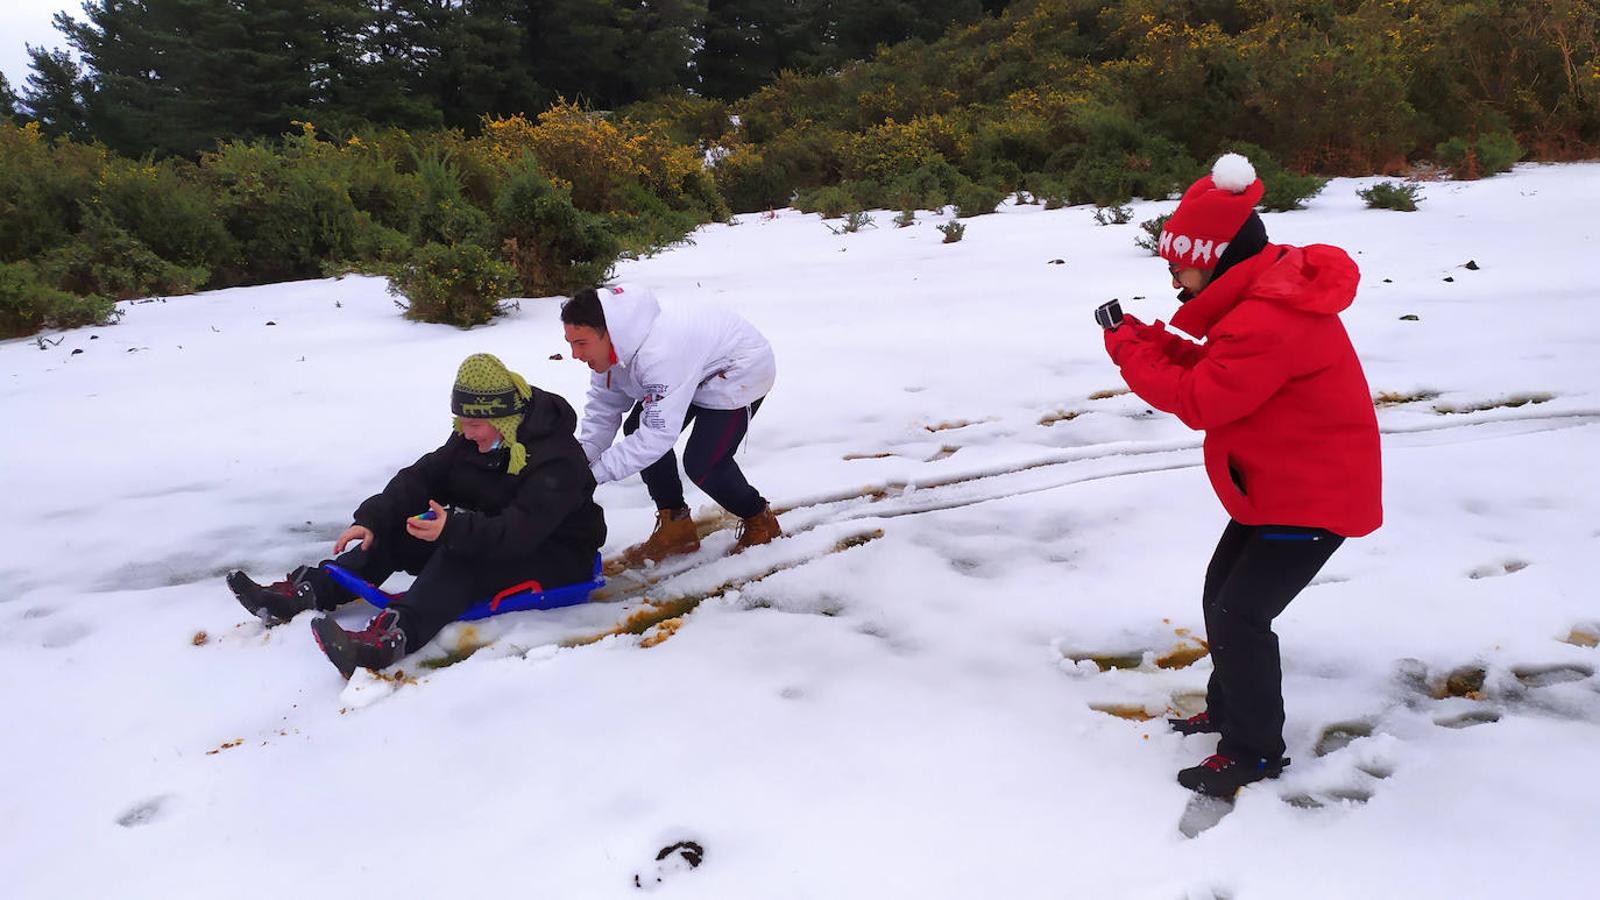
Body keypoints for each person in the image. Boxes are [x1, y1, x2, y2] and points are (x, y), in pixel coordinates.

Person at [1099, 153, 1383, 797]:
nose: (1173, 276)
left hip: (1314, 495)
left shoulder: (1268, 318)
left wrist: (1126, 350)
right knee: (1221, 598)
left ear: (1217, 259)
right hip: (1279, 486)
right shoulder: (1260, 300)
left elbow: (1201, 399)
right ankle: (1230, 711)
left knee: (1239, 614)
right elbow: (1218, 368)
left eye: (1178, 265)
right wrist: (1147, 339)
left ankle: (1254, 751)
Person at [227, 353, 606, 678]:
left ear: (504, 419)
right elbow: (425, 477)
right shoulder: (476, 435)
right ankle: (312, 590)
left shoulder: (557, 460)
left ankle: (391, 638)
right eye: (461, 422)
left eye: (473, 425)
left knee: (460, 551)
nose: (464, 433)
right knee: (406, 528)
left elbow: (518, 532)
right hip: (497, 532)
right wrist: (373, 518)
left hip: (555, 555)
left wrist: (453, 529)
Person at [560, 284, 779, 569]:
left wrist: (591, 476)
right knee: (637, 426)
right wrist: (579, 462)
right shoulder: (613, 351)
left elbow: (656, 437)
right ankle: (676, 527)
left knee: (704, 464)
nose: (574, 354)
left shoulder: (660, 354)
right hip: (693, 369)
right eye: (570, 343)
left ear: (609, 333)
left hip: (738, 371)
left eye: (581, 343)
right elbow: (604, 410)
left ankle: (759, 518)